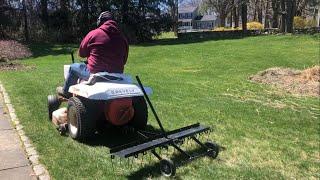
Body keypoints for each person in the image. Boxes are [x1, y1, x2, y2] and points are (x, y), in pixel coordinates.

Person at [57, 11, 129, 98]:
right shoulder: (123, 38)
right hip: (117, 75)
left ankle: (66, 92)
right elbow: (124, 61)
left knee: (73, 67)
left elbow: (81, 53)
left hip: (95, 73)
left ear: (100, 22)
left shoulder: (94, 33)